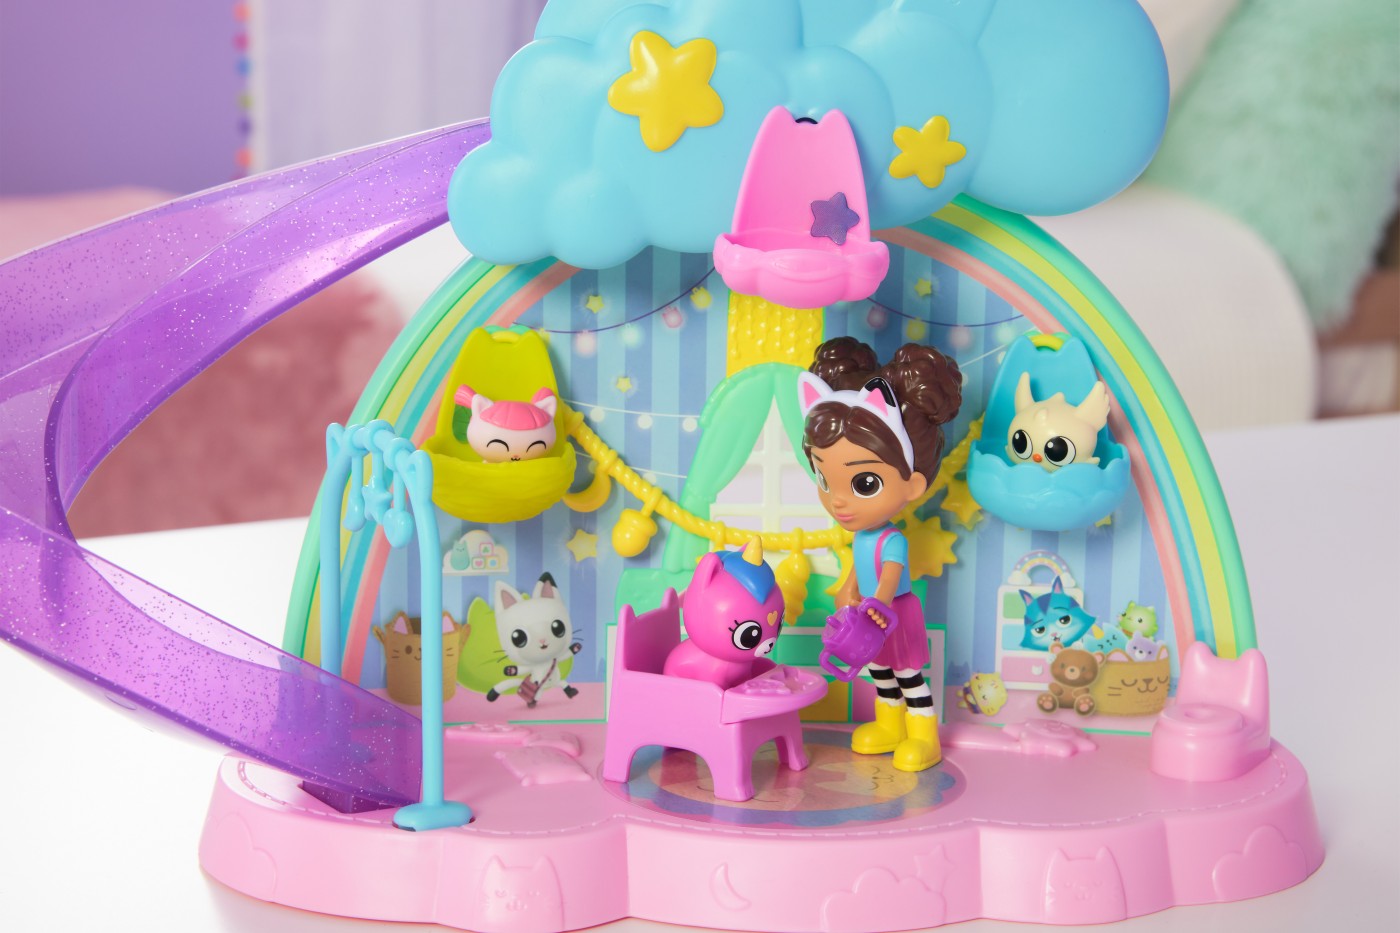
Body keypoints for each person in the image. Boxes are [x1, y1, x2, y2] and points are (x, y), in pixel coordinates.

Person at [798, 337, 962, 771]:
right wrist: (848, 590)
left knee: (908, 675)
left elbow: (889, 575)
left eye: (863, 484)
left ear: (913, 485)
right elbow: (859, 568)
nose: (838, 501)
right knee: (880, 672)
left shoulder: (892, 539)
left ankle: (924, 736)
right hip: (870, 614)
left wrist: (878, 601)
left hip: (895, 614)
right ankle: (889, 726)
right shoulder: (862, 537)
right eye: (825, 480)